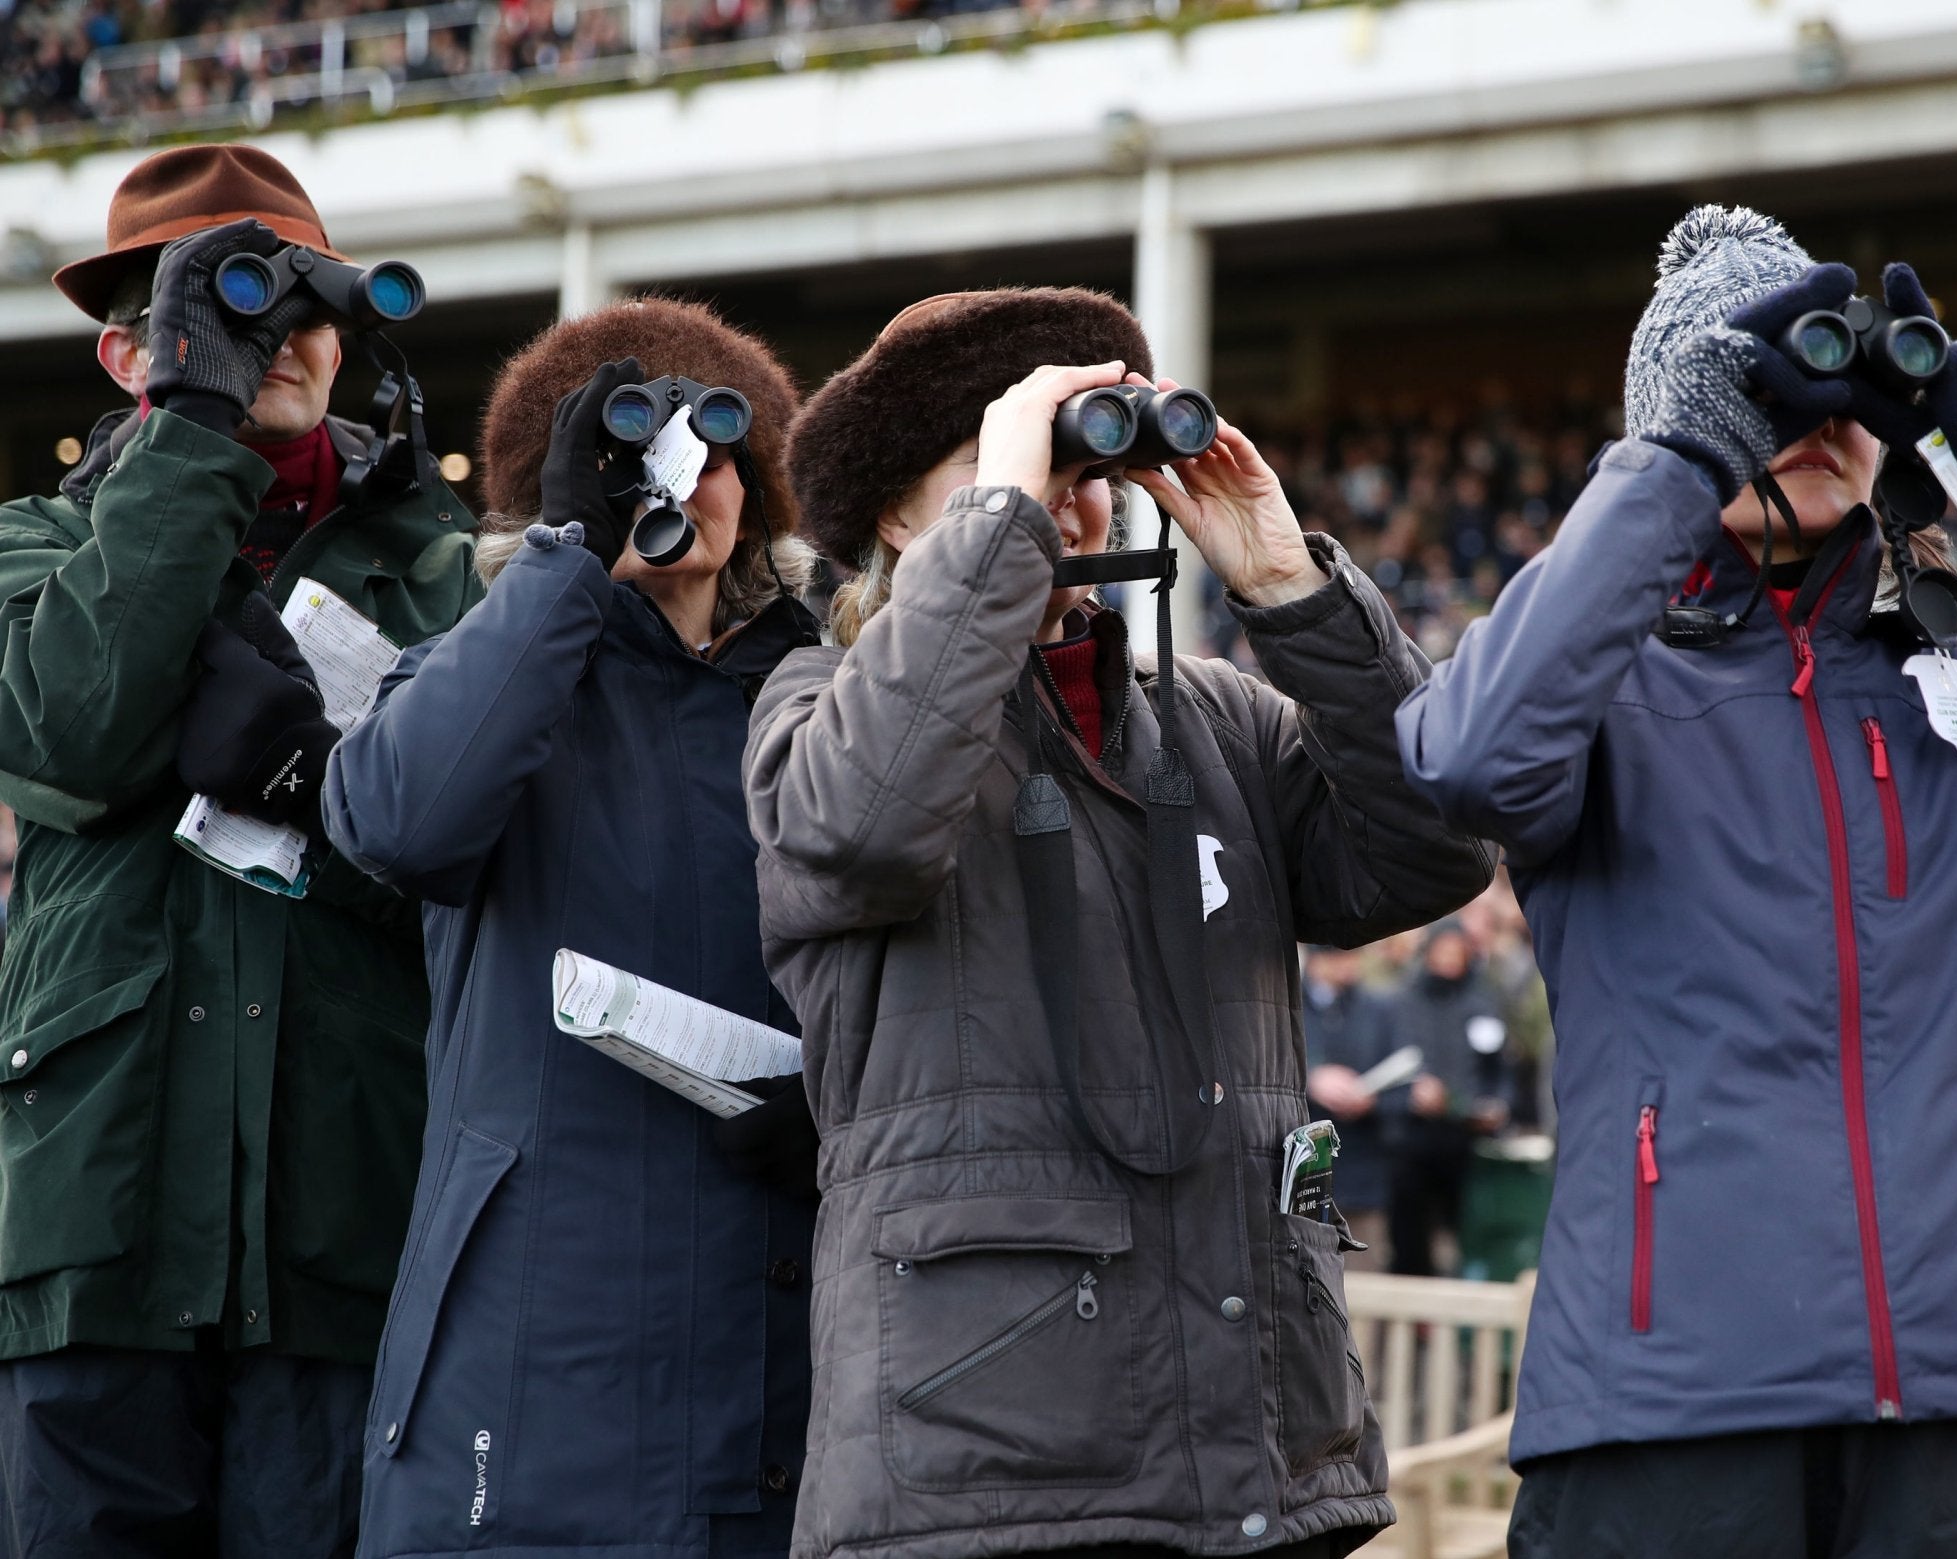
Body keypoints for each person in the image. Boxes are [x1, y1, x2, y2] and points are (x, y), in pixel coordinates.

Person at [744, 286, 1496, 1559]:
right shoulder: (820, 702)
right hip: (982, 1466)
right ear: (896, 512)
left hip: (1255, 1447)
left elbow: (1435, 848)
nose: (1071, 503)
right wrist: (1000, 527)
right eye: (1028, 467)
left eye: (1091, 470)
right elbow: (863, 830)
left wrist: (1287, 583)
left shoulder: (1221, 725)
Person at [1397, 205, 1957, 1557]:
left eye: (1832, 393)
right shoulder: (1591, 691)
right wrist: (1679, 453)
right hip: (1667, 1400)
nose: (1806, 418)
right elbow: (1464, 763)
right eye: (1764, 391)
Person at [0, 145, 478, 1558]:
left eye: (292, 306)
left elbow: (469, 863)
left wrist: (320, 798)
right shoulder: (36, 543)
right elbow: (72, 729)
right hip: (99, 1225)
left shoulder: (447, 568)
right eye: (213, 306)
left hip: (341, 1223)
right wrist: (195, 420)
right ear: (119, 350)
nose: (271, 339)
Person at [325, 299, 821, 1559]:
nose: (683, 478)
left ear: (760, 490)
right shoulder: (471, 668)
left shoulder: (829, 705)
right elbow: (399, 823)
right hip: (530, 1391)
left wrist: (855, 1104)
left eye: (718, 448)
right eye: (634, 451)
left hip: (780, 1363)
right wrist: (564, 559)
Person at [1374, 919, 1509, 1278]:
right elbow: (1377, 1076)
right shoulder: (1398, 1004)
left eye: (1457, 951)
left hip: (1465, 1144)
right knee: (1409, 1246)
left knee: (1464, 1241)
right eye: (1443, 950)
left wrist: (1496, 1106)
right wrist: (1410, 1097)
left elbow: (1500, 1071)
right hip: (1409, 1144)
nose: (1450, 959)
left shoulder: (1483, 1003)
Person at [1302, 943, 1397, 1265]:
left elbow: (1403, 1081)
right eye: (1341, 955)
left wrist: (1372, 1097)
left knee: (1366, 1283)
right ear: (1317, 960)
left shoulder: (1377, 1009)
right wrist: (1311, 1079)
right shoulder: (1287, 1007)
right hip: (1303, 1176)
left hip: (1363, 1172)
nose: (1350, 964)